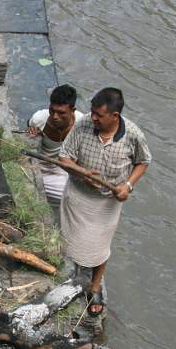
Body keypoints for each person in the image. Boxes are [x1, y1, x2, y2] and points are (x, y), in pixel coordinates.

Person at [57, 87, 151, 317]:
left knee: (100, 247)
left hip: (107, 203)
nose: (94, 118)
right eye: (92, 112)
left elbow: (143, 161)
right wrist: (82, 172)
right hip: (79, 196)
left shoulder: (133, 135)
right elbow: (64, 158)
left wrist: (127, 186)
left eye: (99, 115)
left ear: (115, 116)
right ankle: (70, 276)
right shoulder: (83, 125)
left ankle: (95, 286)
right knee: (69, 240)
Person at [26, 84, 83, 225]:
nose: (55, 116)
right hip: (40, 166)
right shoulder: (40, 118)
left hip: (62, 170)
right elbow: (29, 125)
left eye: (61, 113)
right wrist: (31, 131)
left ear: (73, 110)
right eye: (52, 110)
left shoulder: (83, 124)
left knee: (73, 198)